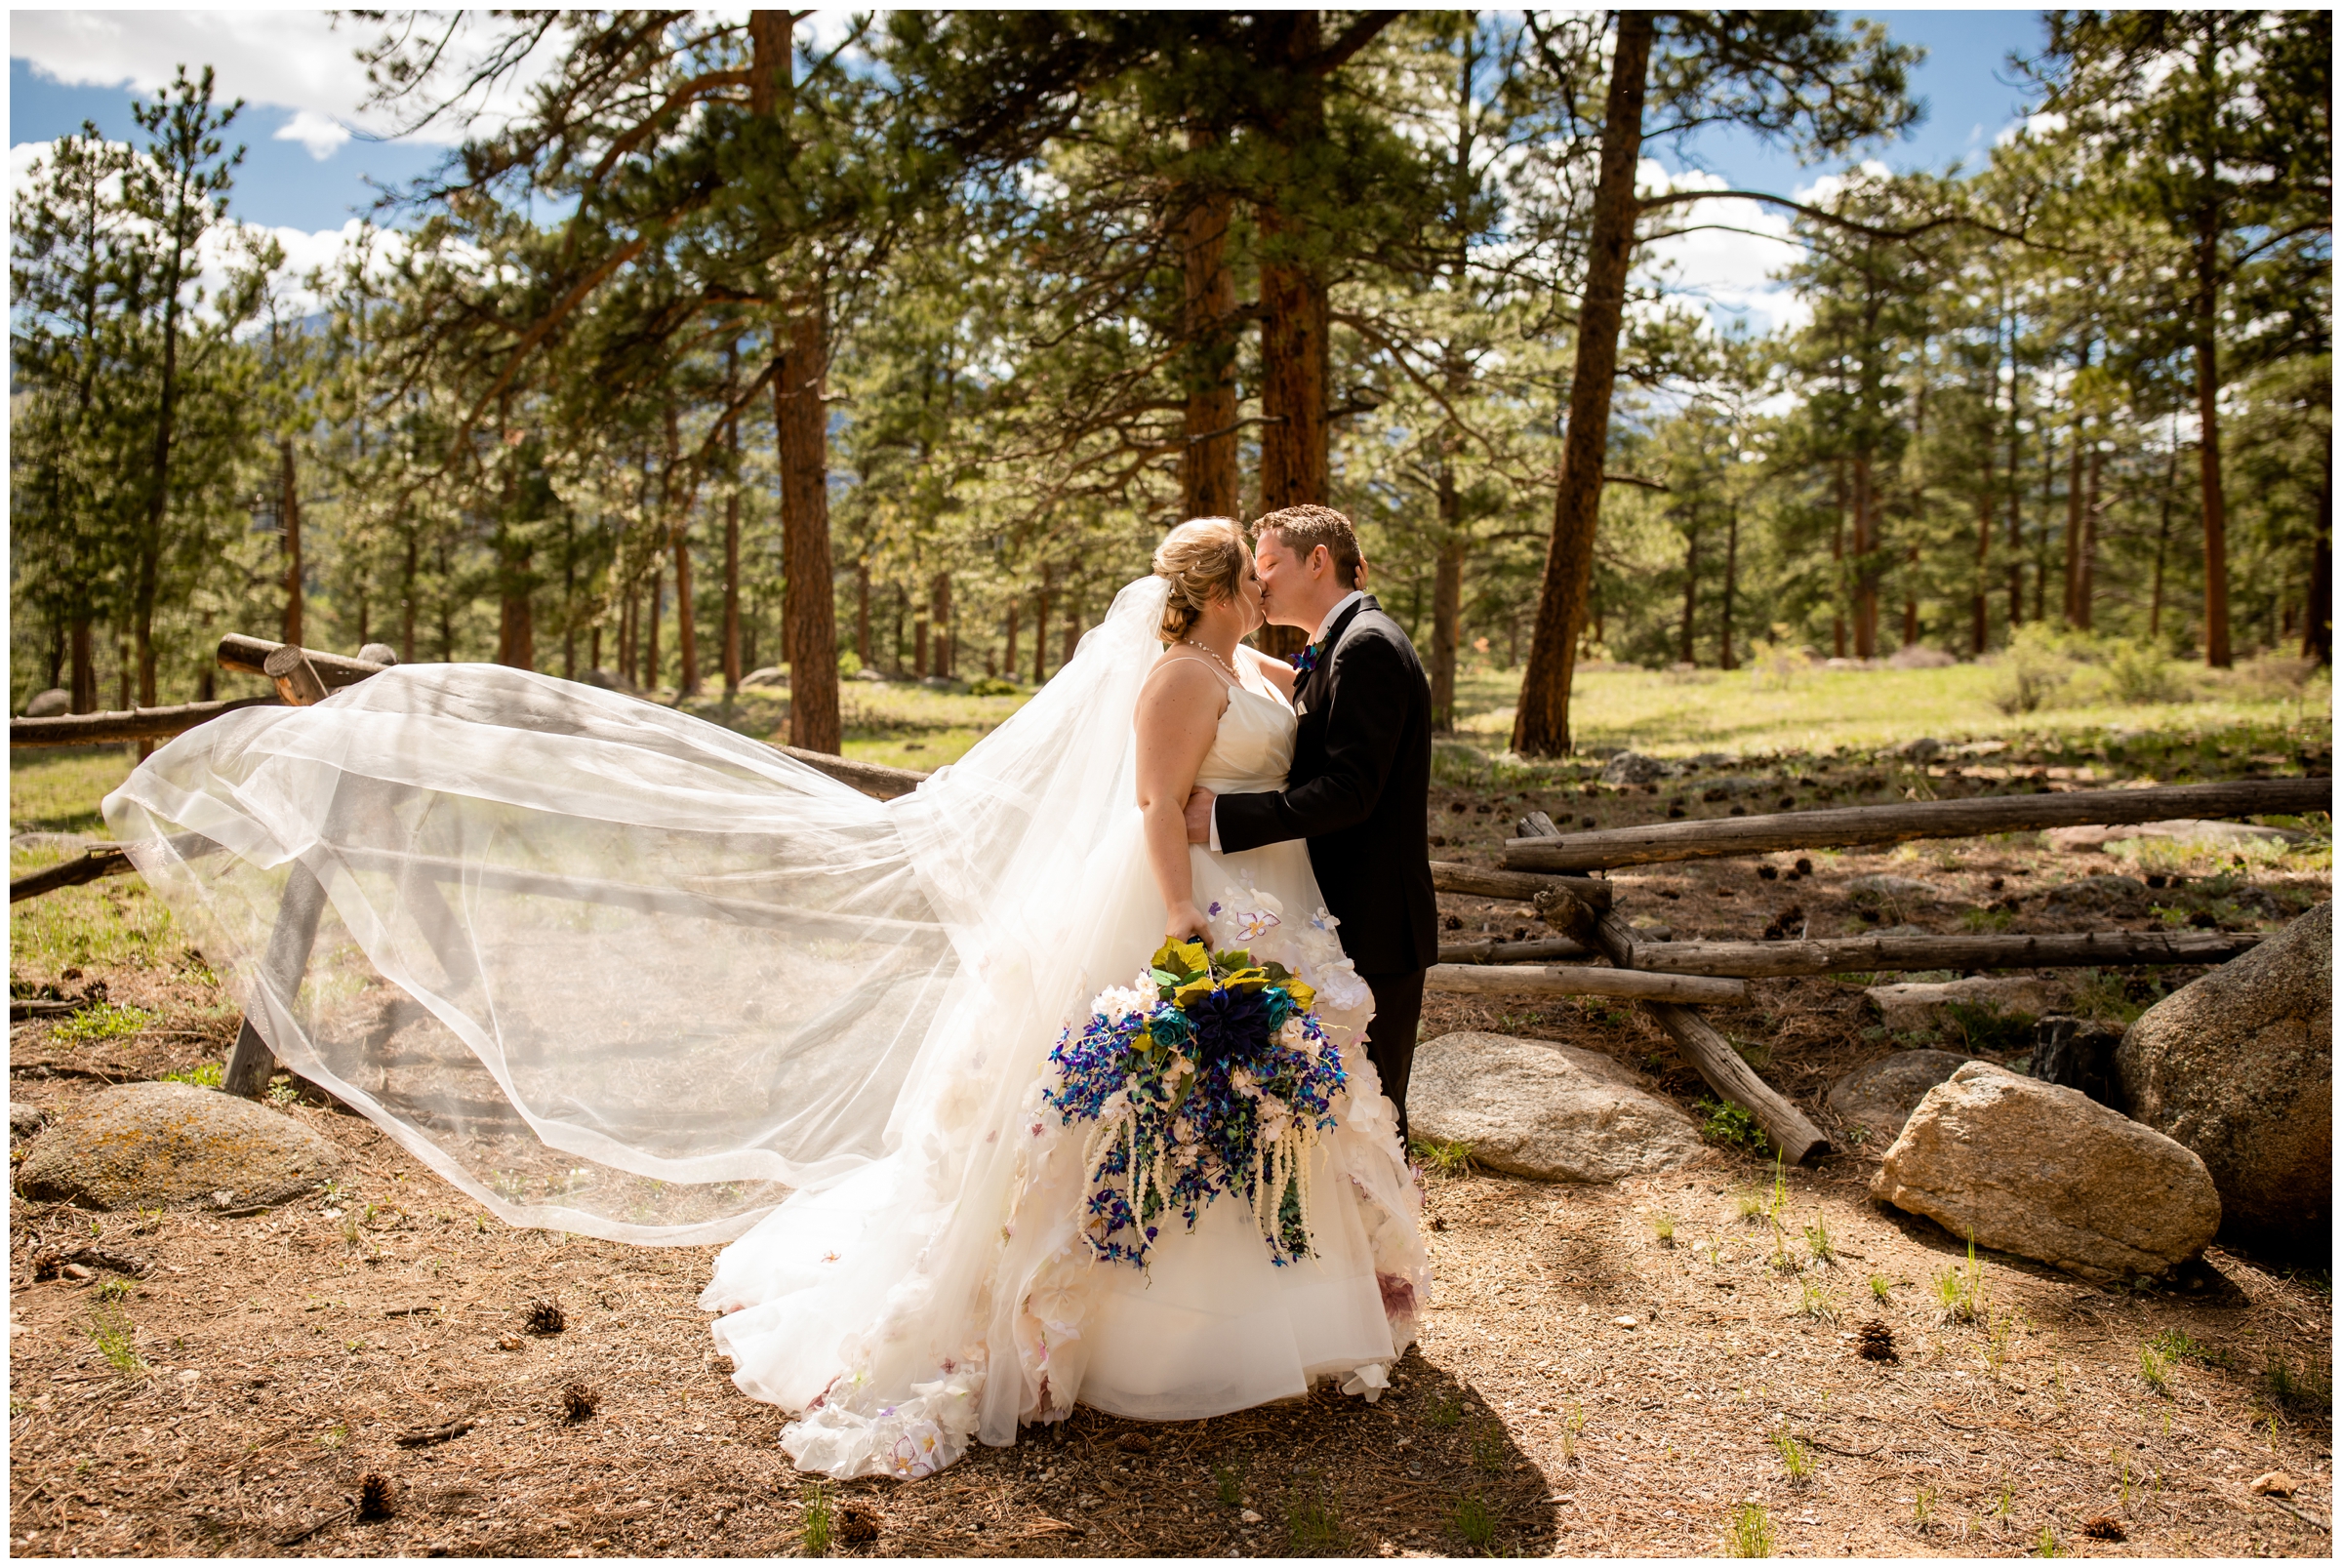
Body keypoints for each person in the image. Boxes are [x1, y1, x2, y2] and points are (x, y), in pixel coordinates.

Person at [101, 518, 1427, 1483]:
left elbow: (1288, 743)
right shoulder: (1179, 675)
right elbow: (1156, 803)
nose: (1261, 582)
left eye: (1272, 564)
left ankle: (1282, 1309)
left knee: (1251, 1096)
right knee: (1127, 1093)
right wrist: (1184, 913)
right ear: (1210, 589)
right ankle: (1126, 1325)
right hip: (1184, 901)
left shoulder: (1269, 666)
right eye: (1244, 569)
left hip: (1272, 903)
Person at [1185, 505, 1437, 1142]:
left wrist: (1222, 815)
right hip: (1339, 913)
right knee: (1342, 1115)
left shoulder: (1369, 645)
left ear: (1318, 560)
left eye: (1268, 564)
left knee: (1374, 1117)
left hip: (1375, 923)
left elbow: (1350, 792)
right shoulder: (1342, 643)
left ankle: (1385, 1242)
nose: (1259, 581)